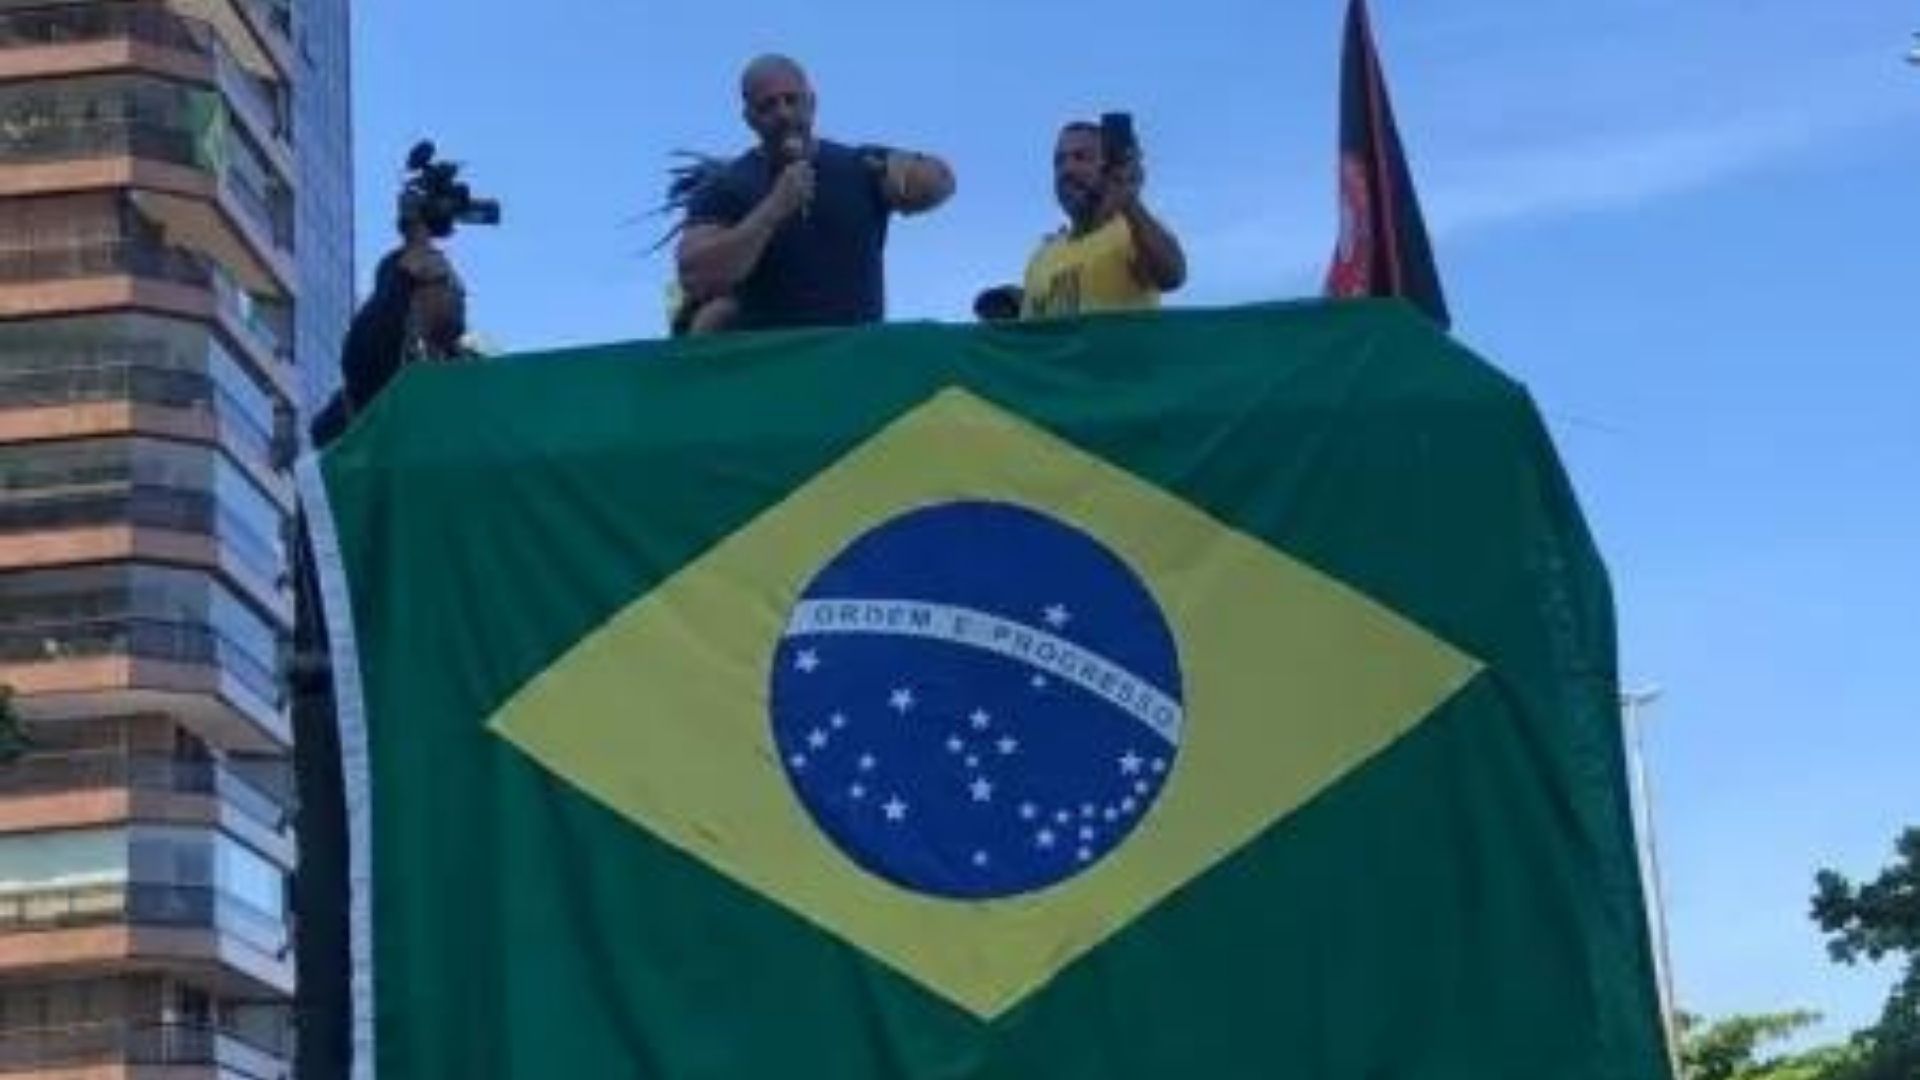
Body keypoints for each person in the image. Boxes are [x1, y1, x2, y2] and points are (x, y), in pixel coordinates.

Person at [675, 54, 955, 332]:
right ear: (750, 118)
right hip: (772, 363)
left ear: (812, 102)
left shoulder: (860, 165)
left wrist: (916, 175)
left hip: (856, 356)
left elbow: (941, 181)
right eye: (767, 106)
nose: (783, 113)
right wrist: (773, 209)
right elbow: (695, 274)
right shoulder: (727, 186)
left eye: (791, 100)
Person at [1020, 118, 1187, 320]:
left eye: (1081, 157)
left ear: (1108, 168)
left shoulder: (1130, 232)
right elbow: (1029, 335)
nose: (1067, 169)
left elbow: (1172, 276)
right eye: (1059, 161)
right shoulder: (1040, 257)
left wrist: (1130, 203)